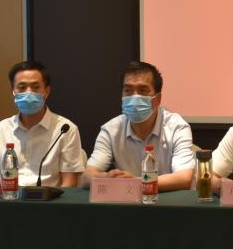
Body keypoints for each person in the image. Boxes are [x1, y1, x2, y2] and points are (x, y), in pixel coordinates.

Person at [83, 61, 194, 190]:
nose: (134, 97)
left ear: (158, 99)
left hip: (167, 200)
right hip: (127, 200)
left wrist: (135, 183)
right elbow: (86, 177)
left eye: (142, 90)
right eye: (128, 90)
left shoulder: (177, 127)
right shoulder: (111, 130)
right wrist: (106, 178)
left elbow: (184, 178)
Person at [0, 60, 86, 187]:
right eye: (22, 87)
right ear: (13, 92)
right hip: (9, 197)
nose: (29, 92)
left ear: (46, 91)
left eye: (36, 87)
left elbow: (69, 183)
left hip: (49, 198)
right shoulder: (0, 129)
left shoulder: (66, 129)